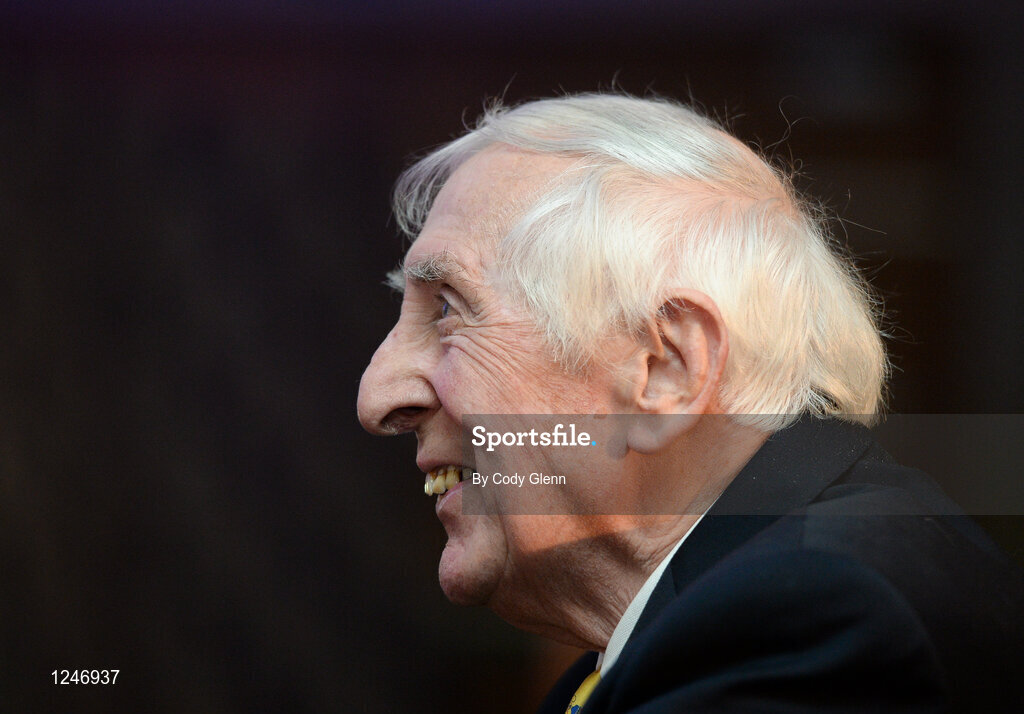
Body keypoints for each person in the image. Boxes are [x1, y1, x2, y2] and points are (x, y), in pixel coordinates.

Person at [356, 94, 1023, 712]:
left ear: (665, 370)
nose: (379, 396)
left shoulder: (812, 623)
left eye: (448, 309)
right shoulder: (765, 603)